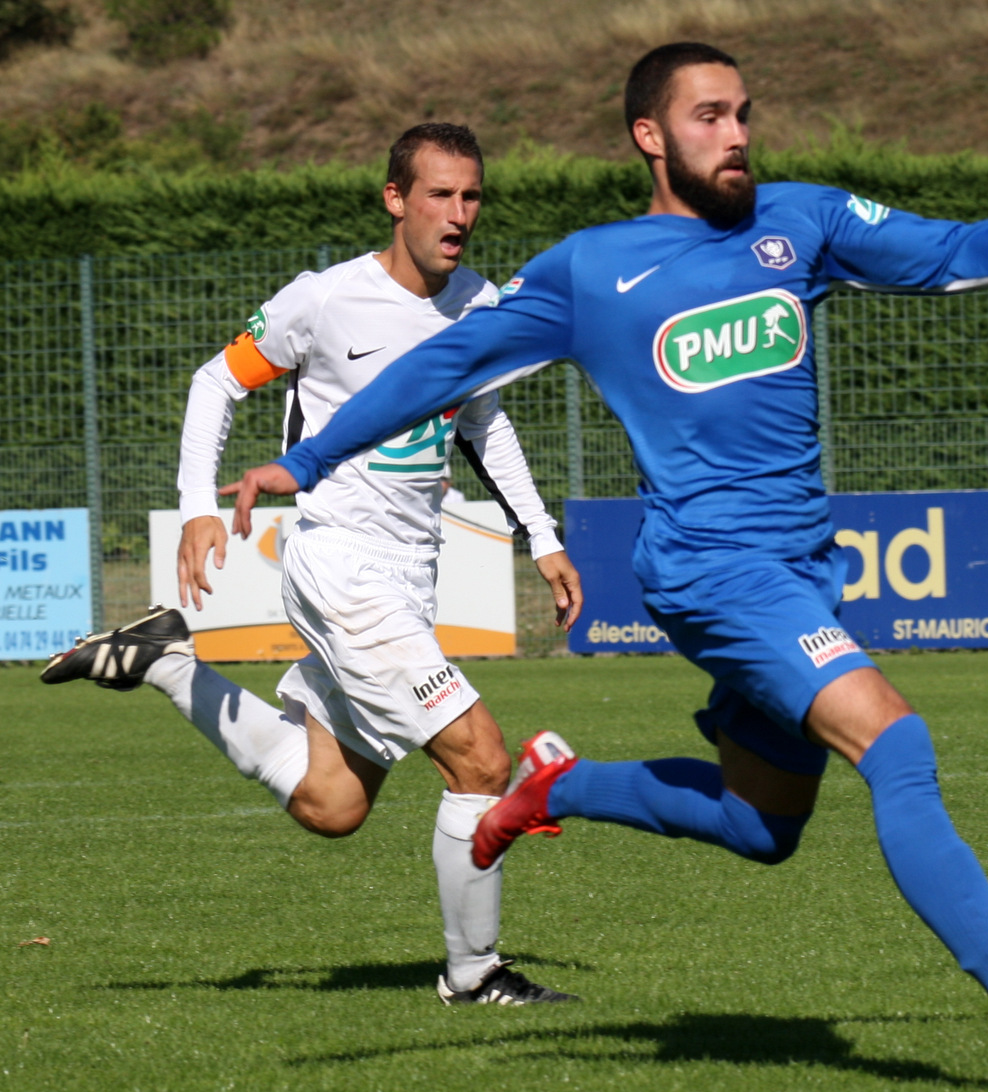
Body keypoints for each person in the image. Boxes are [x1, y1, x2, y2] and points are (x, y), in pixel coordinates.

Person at [224, 43, 988, 1072]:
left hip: (797, 569)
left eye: (742, 114)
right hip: (708, 570)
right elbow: (442, 366)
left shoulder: (803, 222)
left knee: (760, 825)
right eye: (707, 118)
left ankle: (554, 788)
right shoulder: (589, 271)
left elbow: (950, 251)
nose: (735, 135)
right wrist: (311, 458)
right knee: (896, 746)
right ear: (650, 136)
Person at [41, 123, 584, 1008]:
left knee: (333, 803)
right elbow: (215, 381)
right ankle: (474, 975)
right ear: (395, 200)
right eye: (440, 195)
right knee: (481, 763)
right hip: (341, 565)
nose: (459, 214)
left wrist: (542, 532)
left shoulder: (482, 304)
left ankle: (167, 663)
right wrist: (196, 513)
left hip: (410, 573)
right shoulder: (325, 300)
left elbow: (484, 423)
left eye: (472, 195)